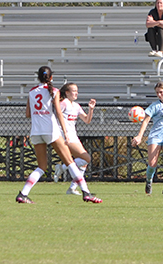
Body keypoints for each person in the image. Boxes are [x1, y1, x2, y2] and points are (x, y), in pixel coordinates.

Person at [15, 66, 102, 204]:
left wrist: (40, 113)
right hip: (51, 131)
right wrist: (65, 133)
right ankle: (86, 193)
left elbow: (27, 114)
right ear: (51, 78)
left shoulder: (31, 92)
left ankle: (23, 194)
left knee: (41, 167)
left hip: (36, 131)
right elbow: (59, 113)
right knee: (70, 162)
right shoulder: (54, 91)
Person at [53, 83, 96, 196]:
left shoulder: (76, 106)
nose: (76, 93)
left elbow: (87, 120)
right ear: (67, 93)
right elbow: (55, 115)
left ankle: (71, 187)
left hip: (73, 135)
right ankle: (62, 168)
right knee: (86, 158)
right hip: (64, 135)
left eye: (77, 90)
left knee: (83, 163)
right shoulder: (64, 103)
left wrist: (91, 109)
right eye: (73, 91)